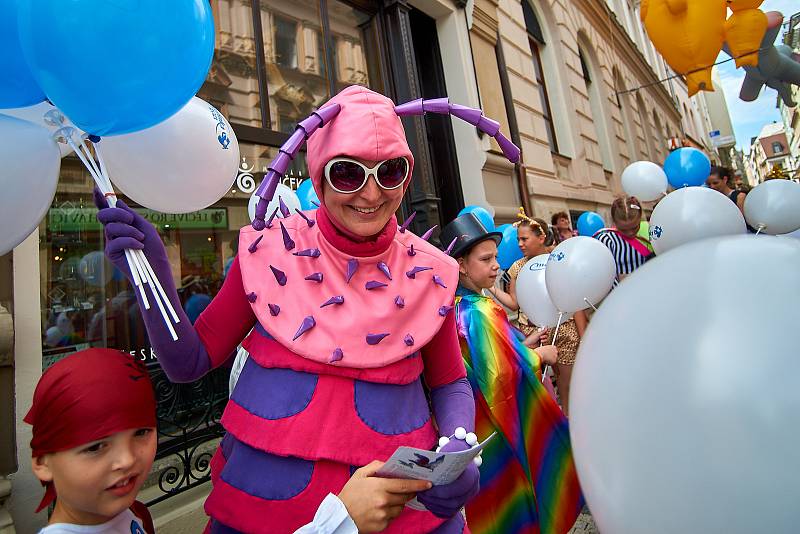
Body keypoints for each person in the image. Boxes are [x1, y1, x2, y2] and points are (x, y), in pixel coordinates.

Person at [93, 85, 528, 532]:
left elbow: (449, 380)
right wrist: (152, 278)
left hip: (400, 512)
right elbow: (190, 362)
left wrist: (457, 445)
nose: (371, 193)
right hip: (263, 511)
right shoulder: (267, 254)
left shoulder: (431, 270)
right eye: (347, 173)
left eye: (391, 171)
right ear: (319, 176)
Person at [25, 348, 437, 534]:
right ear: (41, 460)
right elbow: (190, 356)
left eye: (141, 434)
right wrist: (341, 523)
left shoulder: (129, 514)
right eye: (95, 446)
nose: (126, 461)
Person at [440, 213, 584, 534]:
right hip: (498, 421)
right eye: (486, 259)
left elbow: (487, 352)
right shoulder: (480, 310)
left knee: (493, 497)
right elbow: (500, 373)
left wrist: (524, 342)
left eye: (495, 257)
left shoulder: (457, 305)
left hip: (476, 420)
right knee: (517, 488)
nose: (496, 266)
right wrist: (539, 355)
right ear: (461, 264)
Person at [489, 209, 587, 415]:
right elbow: (514, 303)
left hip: (565, 331)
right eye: (518, 239)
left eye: (524, 239)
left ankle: (571, 426)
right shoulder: (517, 267)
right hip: (534, 334)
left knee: (569, 385)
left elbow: (575, 300)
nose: (520, 244)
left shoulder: (559, 260)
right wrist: (492, 288)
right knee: (539, 388)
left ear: (541, 237)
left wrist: (584, 334)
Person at [594, 196, 653, 281]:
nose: (630, 233)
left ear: (640, 217)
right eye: (623, 229)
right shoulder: (607, 240)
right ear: (614, 221)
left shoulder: (650, 233)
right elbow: (601, 274)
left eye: (634, 227)